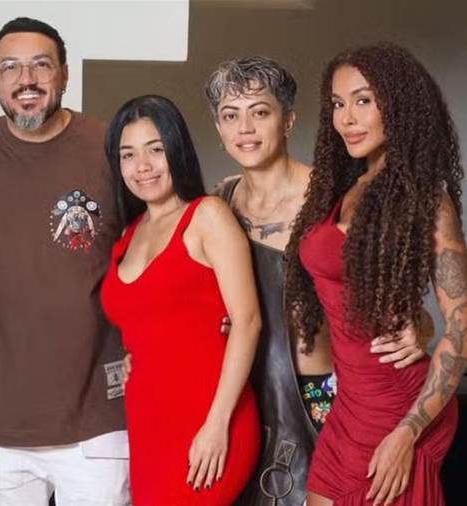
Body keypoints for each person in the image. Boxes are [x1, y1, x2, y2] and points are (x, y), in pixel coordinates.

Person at [205, 56, 429, 506]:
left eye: (260, 112)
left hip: (321, 394)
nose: (245, 128)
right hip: (244, 393)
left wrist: (418, 329)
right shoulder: (220, 201)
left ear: (288, 120)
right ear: (219, 128)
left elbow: (398, 301)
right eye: (231, 115)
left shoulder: (332, 198)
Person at [0, 17, 129, 505]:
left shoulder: (112, 149)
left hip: (98, 422)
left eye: (41, 65)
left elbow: (163, 240)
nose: (26, 80)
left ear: (64, 73)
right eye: (10, 67)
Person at [285, 43, 464, 505]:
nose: (347, 119)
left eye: (363, 101)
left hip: (397, 408)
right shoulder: (340, 188)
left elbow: (461, 329)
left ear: (398, 106)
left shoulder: (426, 201)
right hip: (350, 403)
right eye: (337, 104)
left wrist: (408, 432)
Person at [100, 94, 260, 505]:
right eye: (128, 154)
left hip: (212, 419)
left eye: (156, 149)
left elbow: (247, 322)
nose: (143, 166)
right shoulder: (128, 234)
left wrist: (217, 424)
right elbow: (146, 320)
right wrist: (133, 356)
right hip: (147, 423)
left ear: (177, 150)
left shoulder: (207, 216)